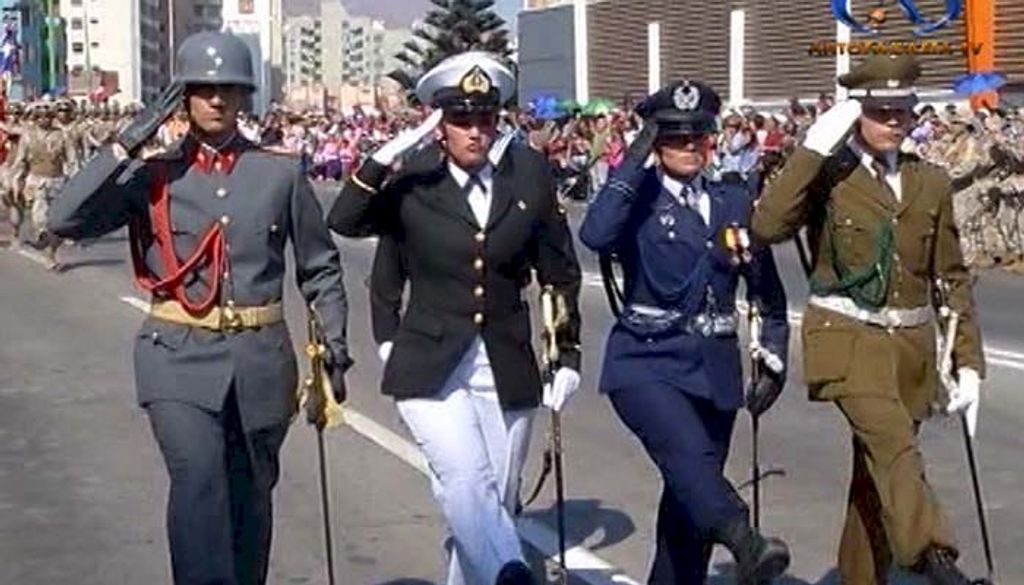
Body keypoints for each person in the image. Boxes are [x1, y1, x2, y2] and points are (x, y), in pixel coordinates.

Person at [47, 31, 352, 585]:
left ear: (245, 97)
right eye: (204, 88)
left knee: (251, 494)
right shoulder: (153, 174)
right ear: (182, 98)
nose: (218, 99)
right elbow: (64, 220)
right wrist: (127, 142)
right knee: (197, 480)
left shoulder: (279, 172)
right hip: (177, 358)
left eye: (230, 89)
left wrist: (333, 342)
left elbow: (320, 266)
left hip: (261, 360)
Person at [329, 51, 582, 585]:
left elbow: (559, 270)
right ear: (438, 125)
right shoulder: (414, 179)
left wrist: (567, 352)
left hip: (505, 357)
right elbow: (346, 220)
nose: (474, 132)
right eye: (460, 120)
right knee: (465, 479)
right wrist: (384, 157)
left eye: (484, 119)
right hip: (428, 357)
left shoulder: (527, 178)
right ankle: (510, 574)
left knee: (496, 497)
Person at [751, 55, 989, 585]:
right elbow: (766, 225)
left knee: (875, 475)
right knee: (893, 445)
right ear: (856, 114)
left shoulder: (929, 181)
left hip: (910, 349)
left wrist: (968, 362)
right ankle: (934, 557)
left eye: (902, 112)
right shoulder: (828, 174)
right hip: (847, 341)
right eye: (881, 112)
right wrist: (812, 149)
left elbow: (949, 277)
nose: (894, 123)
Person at [579, 80, 791, 585]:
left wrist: (773, 356)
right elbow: (595, 234)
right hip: (646, 361)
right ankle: (745, 539)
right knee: (693, 466)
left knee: (688, 506)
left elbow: (767, 290)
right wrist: (634, 156)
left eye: (699, 135)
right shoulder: (636, 198)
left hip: (714, 366)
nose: (690, 146)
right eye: (674, 137)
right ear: (655, 142)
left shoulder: (731, 201)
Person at [9, 100, 79, 267]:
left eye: (47, 116)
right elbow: (21, 161)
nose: (44, 119)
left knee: (58, 222)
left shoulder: (62, 135)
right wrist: (16, 180)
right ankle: (42, 235)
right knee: (40, 216)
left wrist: (75, 180)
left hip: (58, 181)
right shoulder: (28, 136)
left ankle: (51, 254)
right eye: (40, 116)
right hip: (36, 181)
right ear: (35, 118)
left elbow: (72, 160)